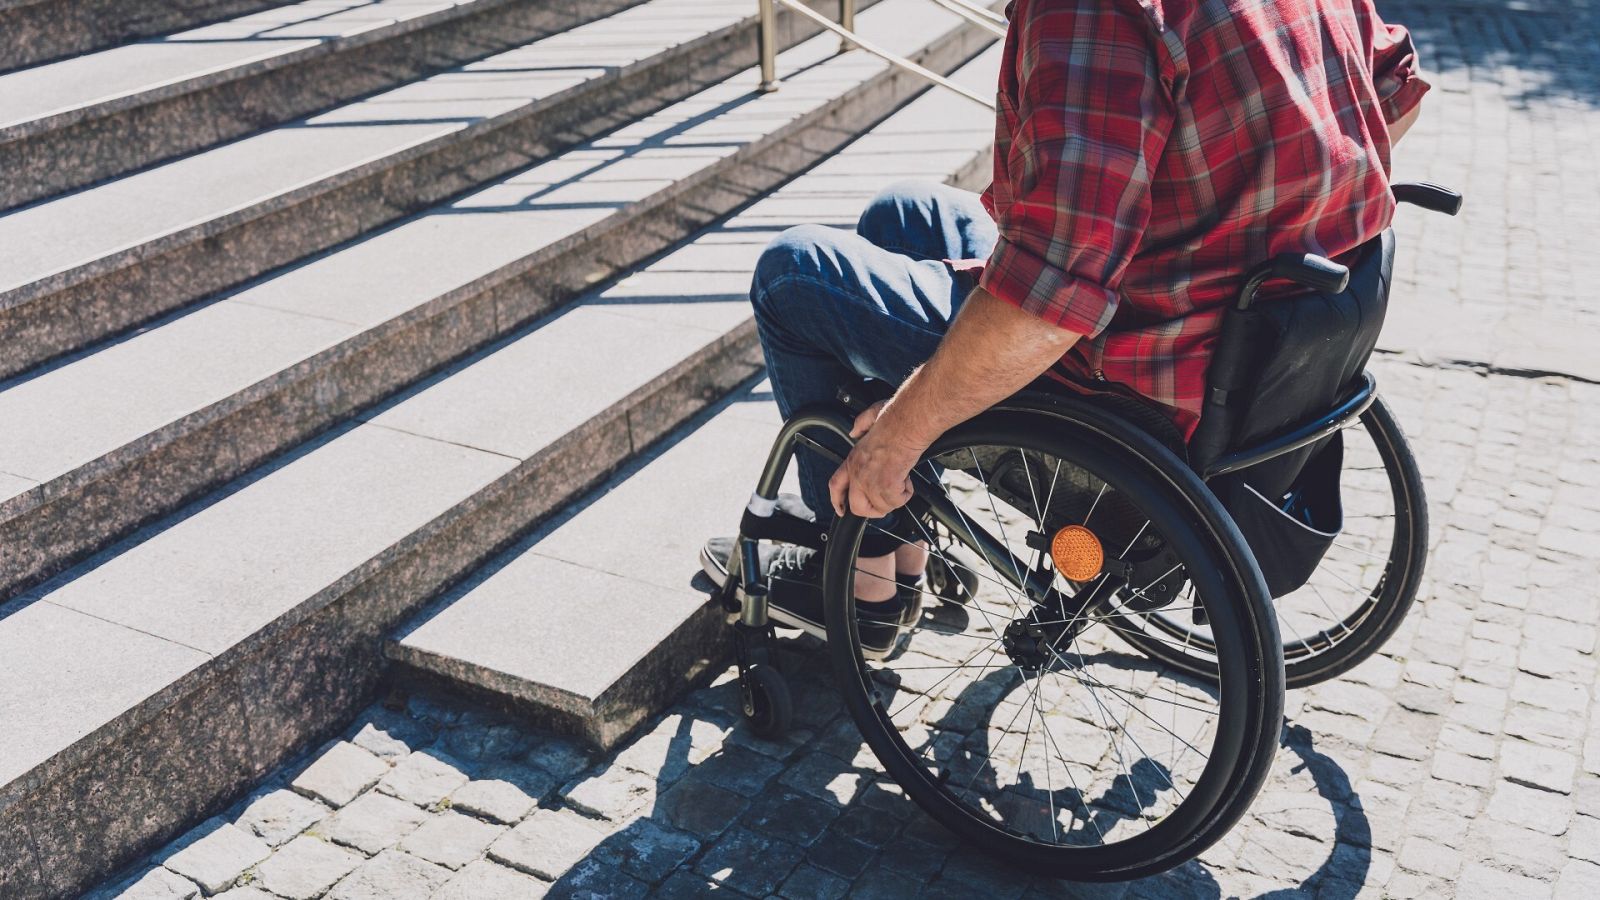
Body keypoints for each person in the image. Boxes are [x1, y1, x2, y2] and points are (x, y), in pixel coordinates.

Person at [702, 0, 1430, 656]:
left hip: (1126, 375)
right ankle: (900, 548)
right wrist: (1223, 230)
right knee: (904, 214)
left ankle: (859, 587)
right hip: (1239, 336)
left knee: (792, 273)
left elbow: (1047, 302)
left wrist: (899, 435)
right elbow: (1394, 92)